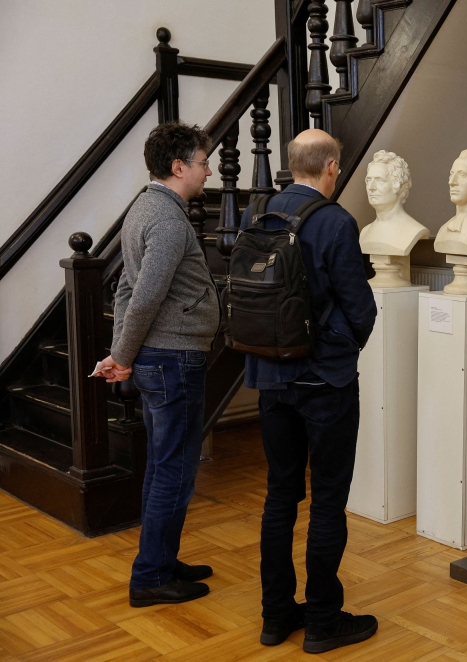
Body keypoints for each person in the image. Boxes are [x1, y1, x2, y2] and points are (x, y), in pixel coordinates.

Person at [240, 129, 378, 653]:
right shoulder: (335, 222)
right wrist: (343, 350)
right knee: (327, 501)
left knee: (280, 496)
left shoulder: (261, 216)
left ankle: (275, 617)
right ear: (330, 169)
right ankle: (322, 620)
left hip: (270, 378)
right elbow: (359, 306)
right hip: (325, 382)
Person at [98, 122, 220, 607]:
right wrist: (122, 357)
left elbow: (126, 290)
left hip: (158, 358)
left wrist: (119, 353)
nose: (208, 172)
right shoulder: (167, 219)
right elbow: (144, 295)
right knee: (175, 470)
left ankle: (161, 559)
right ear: (178, 167)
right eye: (203, 163)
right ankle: (150, 577)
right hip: (173, 359)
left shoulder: (143, 208)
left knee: (161, 467)